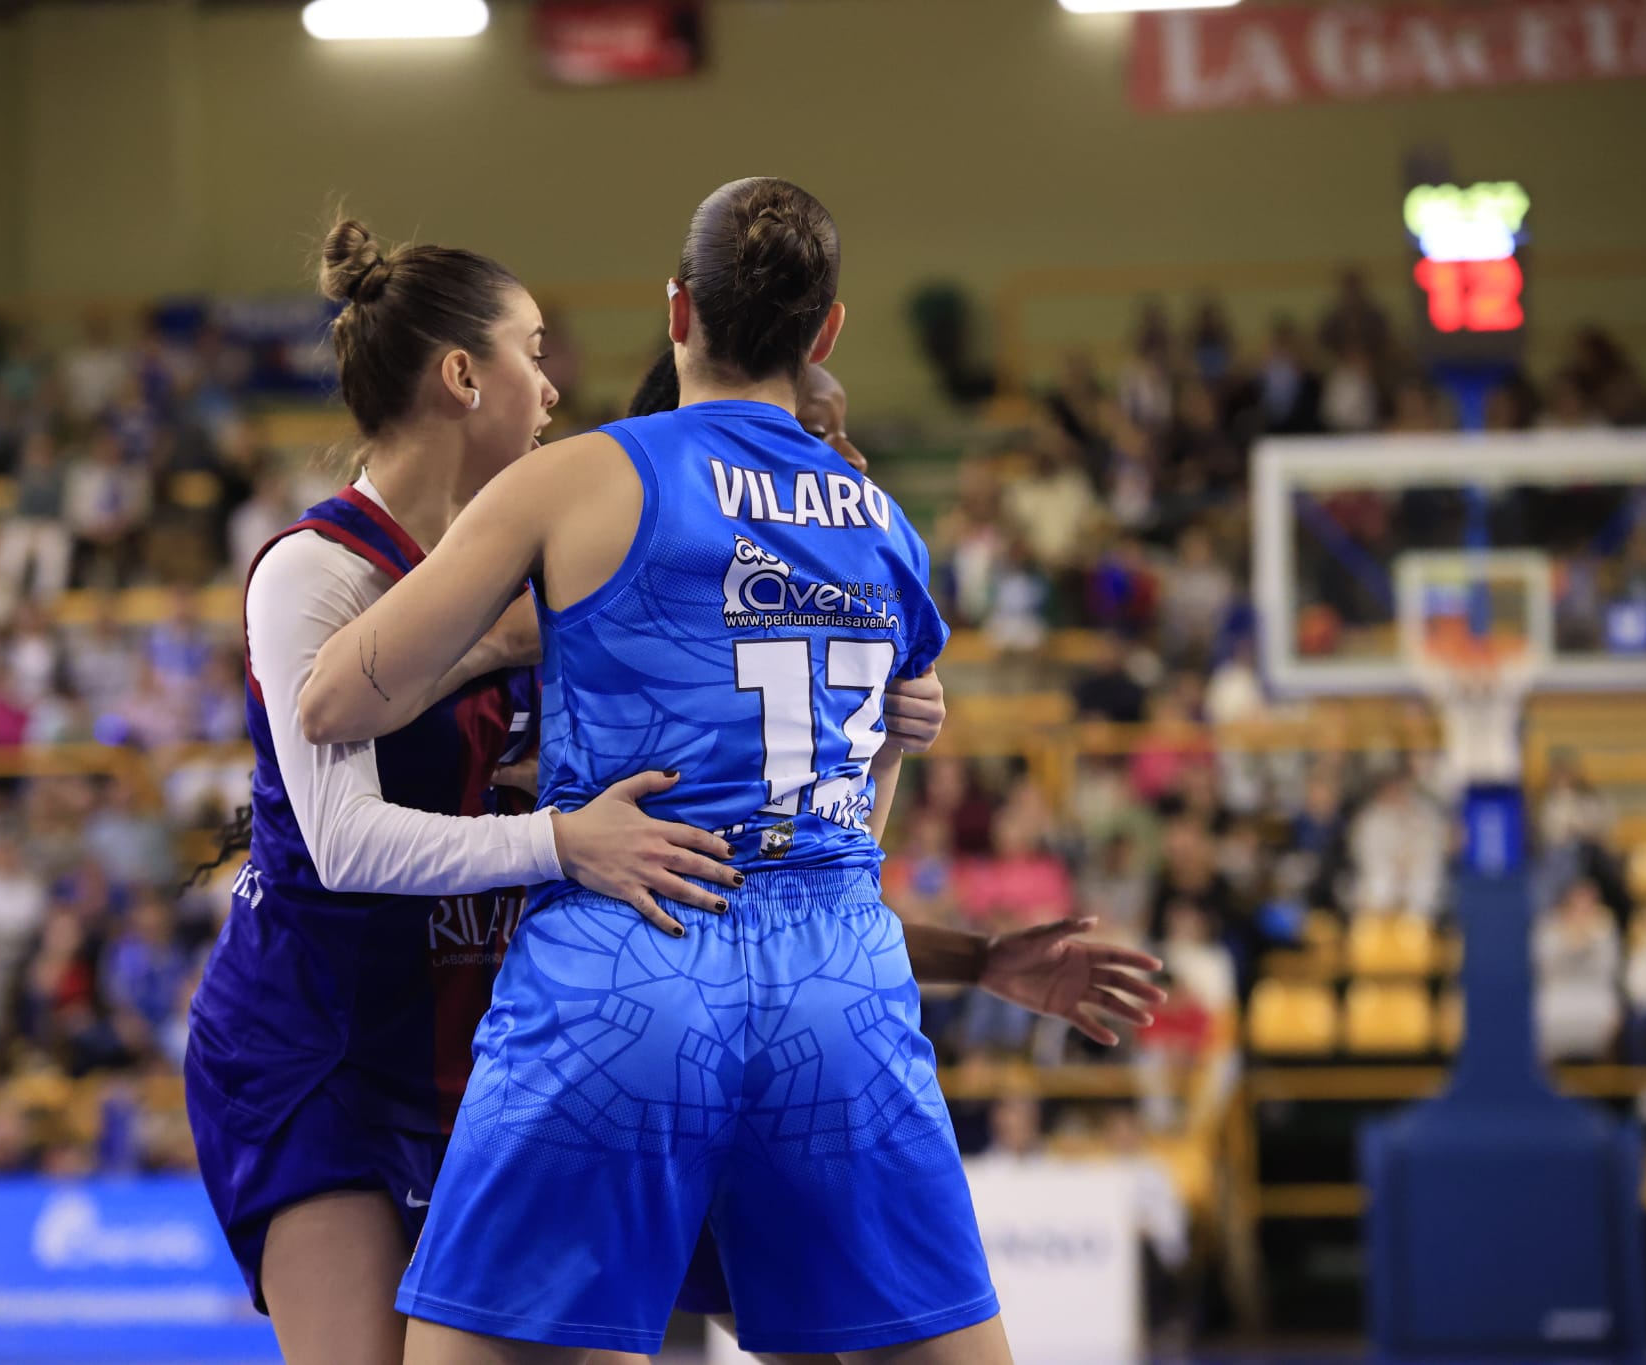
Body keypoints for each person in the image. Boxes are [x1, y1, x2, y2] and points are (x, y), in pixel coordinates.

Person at [301, 178, 1159, 1364]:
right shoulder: (885, 527)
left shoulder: (575, 479)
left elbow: (334, 696)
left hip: (626, 962)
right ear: (826, 334)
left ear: (675, 310)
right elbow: (847, 838)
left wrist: (516, 625)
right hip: (839, 992)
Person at [183, 219, 745, 1365]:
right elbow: (340, 844)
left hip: (489, 1034)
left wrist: (889, 716)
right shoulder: (313, 570)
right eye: (531, 353)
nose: (549, 387)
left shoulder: (541, 553)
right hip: (319, 1046)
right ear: (459, 375)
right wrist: (558, 837)